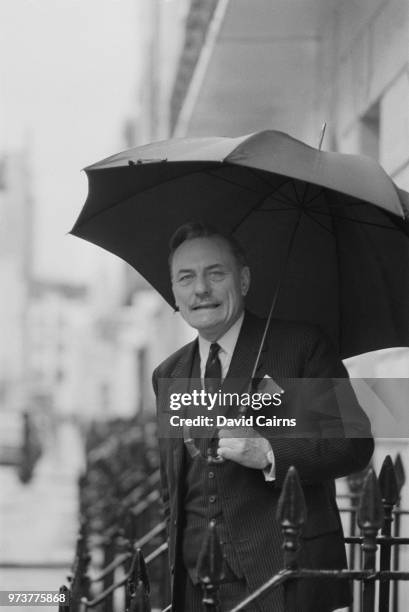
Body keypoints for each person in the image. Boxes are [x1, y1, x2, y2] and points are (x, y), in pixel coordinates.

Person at [152, 222, 374, 612]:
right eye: (186, 278)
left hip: (282, 582)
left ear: (244, 280)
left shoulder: (301, 348)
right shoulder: (168, 374)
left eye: (215, 273)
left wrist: (269, 451)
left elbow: (352, 444)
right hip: (195, 586)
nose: (200, 289)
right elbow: (175, 486)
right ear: (174, 292)